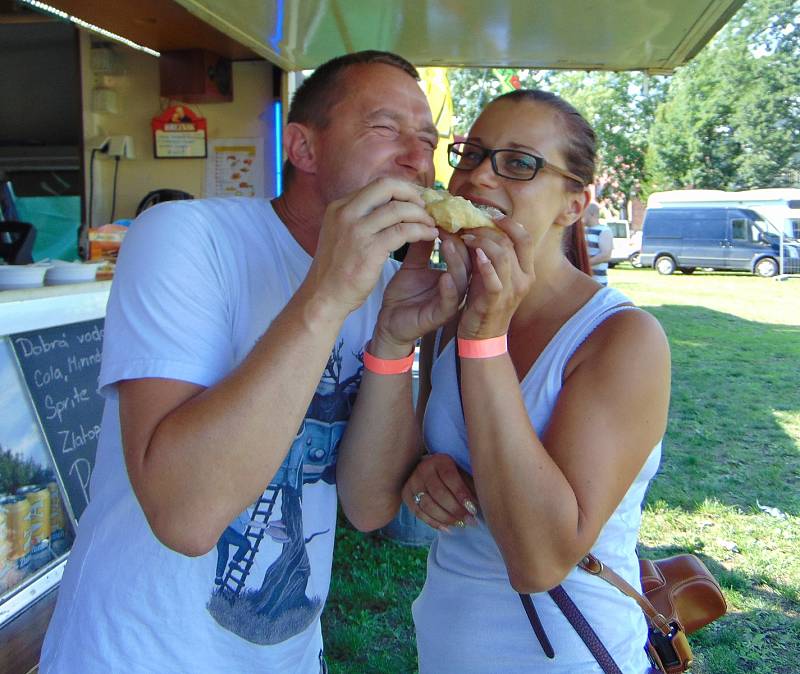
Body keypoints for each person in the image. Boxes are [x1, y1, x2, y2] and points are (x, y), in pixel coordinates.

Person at [40, 51, 470, 673]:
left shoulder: (384, 282)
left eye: (426, 139)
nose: (414, 157)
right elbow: (185, 519)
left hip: (289, 655)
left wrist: (394, 343)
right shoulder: (185, 236)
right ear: (302, 147)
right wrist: (326, 294)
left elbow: (370, 506)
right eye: (384, 129)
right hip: (134, 652)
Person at [399, 90, 671, 672]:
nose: (475, 178)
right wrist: (423, 473)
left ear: (574, 205)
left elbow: (540, 560)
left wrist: (485, 337)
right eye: (470, 155)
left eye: (519, 163)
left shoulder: (624, 339)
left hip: (571, 656)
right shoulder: (444, 314)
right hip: (444, 647)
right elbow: (426, 458)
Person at [584, 201, 613, 285]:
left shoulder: (604, 231)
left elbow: (606, 255)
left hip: (597, 282)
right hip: (582, 281)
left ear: (592, 214)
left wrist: (583, 264)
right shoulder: (582, 231)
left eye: (583, 213)